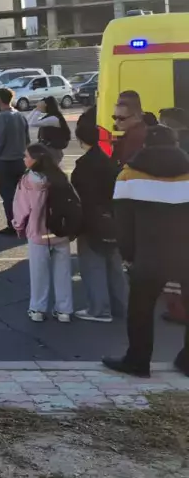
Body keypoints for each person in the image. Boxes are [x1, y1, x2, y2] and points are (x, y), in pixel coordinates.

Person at [103, 125, 189, 378]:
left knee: (141, 309)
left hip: (149, 254)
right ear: (176, 144)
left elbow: (123, 223)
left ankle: (137, 361)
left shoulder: (128, 175)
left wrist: (129, 255)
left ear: (145, 145)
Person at [70, 105, 126, 323]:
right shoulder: (109, 161)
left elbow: (82, 197)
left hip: (92, 220)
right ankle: (121, 306)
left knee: (93, 265)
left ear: (81, 140)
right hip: (113, 217)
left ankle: (99, 309)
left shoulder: (84, 166)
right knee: (114, 265)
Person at [12, 144, 75, 323]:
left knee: (39, 274)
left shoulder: (28, 180)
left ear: (35, 160)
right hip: (60, 232)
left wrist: (18, 226)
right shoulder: (60, 176)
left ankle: (38, 309)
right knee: (63, 272)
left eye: (26, 156)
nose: (24, 159)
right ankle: (64, 310)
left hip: (38, 233)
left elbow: (21, 207)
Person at [0, 87, 30, 237]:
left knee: (8, 195)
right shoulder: (20, 116)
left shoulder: (2, 117)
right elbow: (27, 139)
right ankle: (24, 223)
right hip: (20, 160)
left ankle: (13, 224)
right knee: (21, 195)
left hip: (6, 161)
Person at [28, 96, 72, 165]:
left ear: (47, 105)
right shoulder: (51, 116)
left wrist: (38, 110)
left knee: (49, 170)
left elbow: (32, 123)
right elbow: (28, 121)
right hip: (48, 149)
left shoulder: (54, 119)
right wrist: (36, 109)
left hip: (53, 151)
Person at [112, 90, 148, 166]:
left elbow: (126, 167)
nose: (116, 122)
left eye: (121, 118)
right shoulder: (131, 133)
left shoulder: (135, 138)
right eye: (114, 117)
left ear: (136, 116)